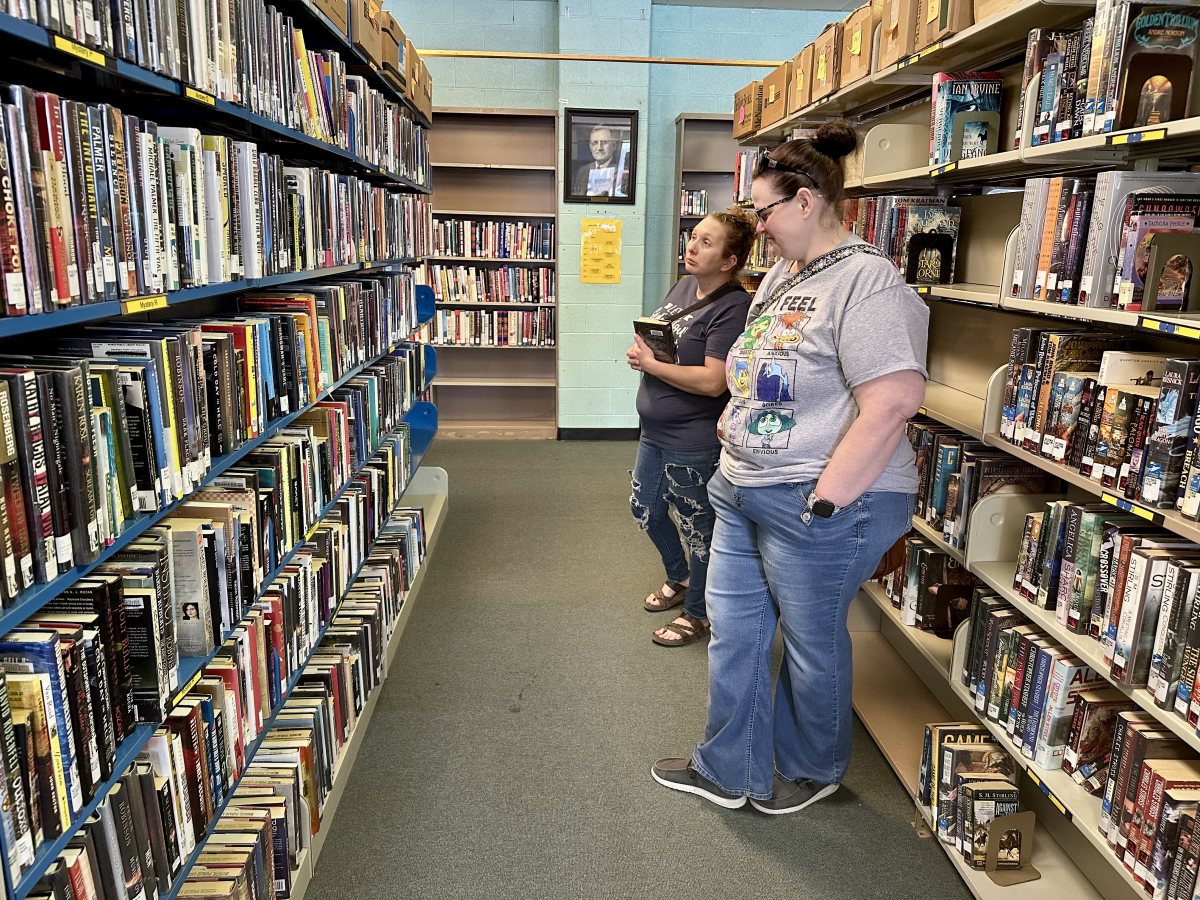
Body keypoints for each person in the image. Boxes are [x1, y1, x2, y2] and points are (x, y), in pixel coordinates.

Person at [651, 121, 929, 813]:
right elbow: (765, 363)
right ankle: (729, 768)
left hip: (817, 498)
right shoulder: (783, 273)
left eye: (764, 211)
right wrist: (734, 412)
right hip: (742, 485)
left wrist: (826, 500)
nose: (760, 228)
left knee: (809, 644)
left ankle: (809, 772)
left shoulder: (869, 279)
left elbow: (893, 400)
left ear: (805, 201)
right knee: (737, 632)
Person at [626, 210, 756, 647]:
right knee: (646, 510)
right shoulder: (684, 285)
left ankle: (697, 612)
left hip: (693, 437)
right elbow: (667, 341)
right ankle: (680, 577)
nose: (692, 247)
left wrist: (652, 366)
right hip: (654, 430)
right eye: (693, 237)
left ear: (729, 260)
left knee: (699, 527)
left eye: (706, 242)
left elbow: (713, 380)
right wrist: (645, 353)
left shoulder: (733, 307)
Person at [573, 125, 629, 198]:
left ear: (614, 145)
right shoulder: (583, 170)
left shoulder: (623, 172)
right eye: (595, 143)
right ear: (590, 147)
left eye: (604, 142)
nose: (599, 148)